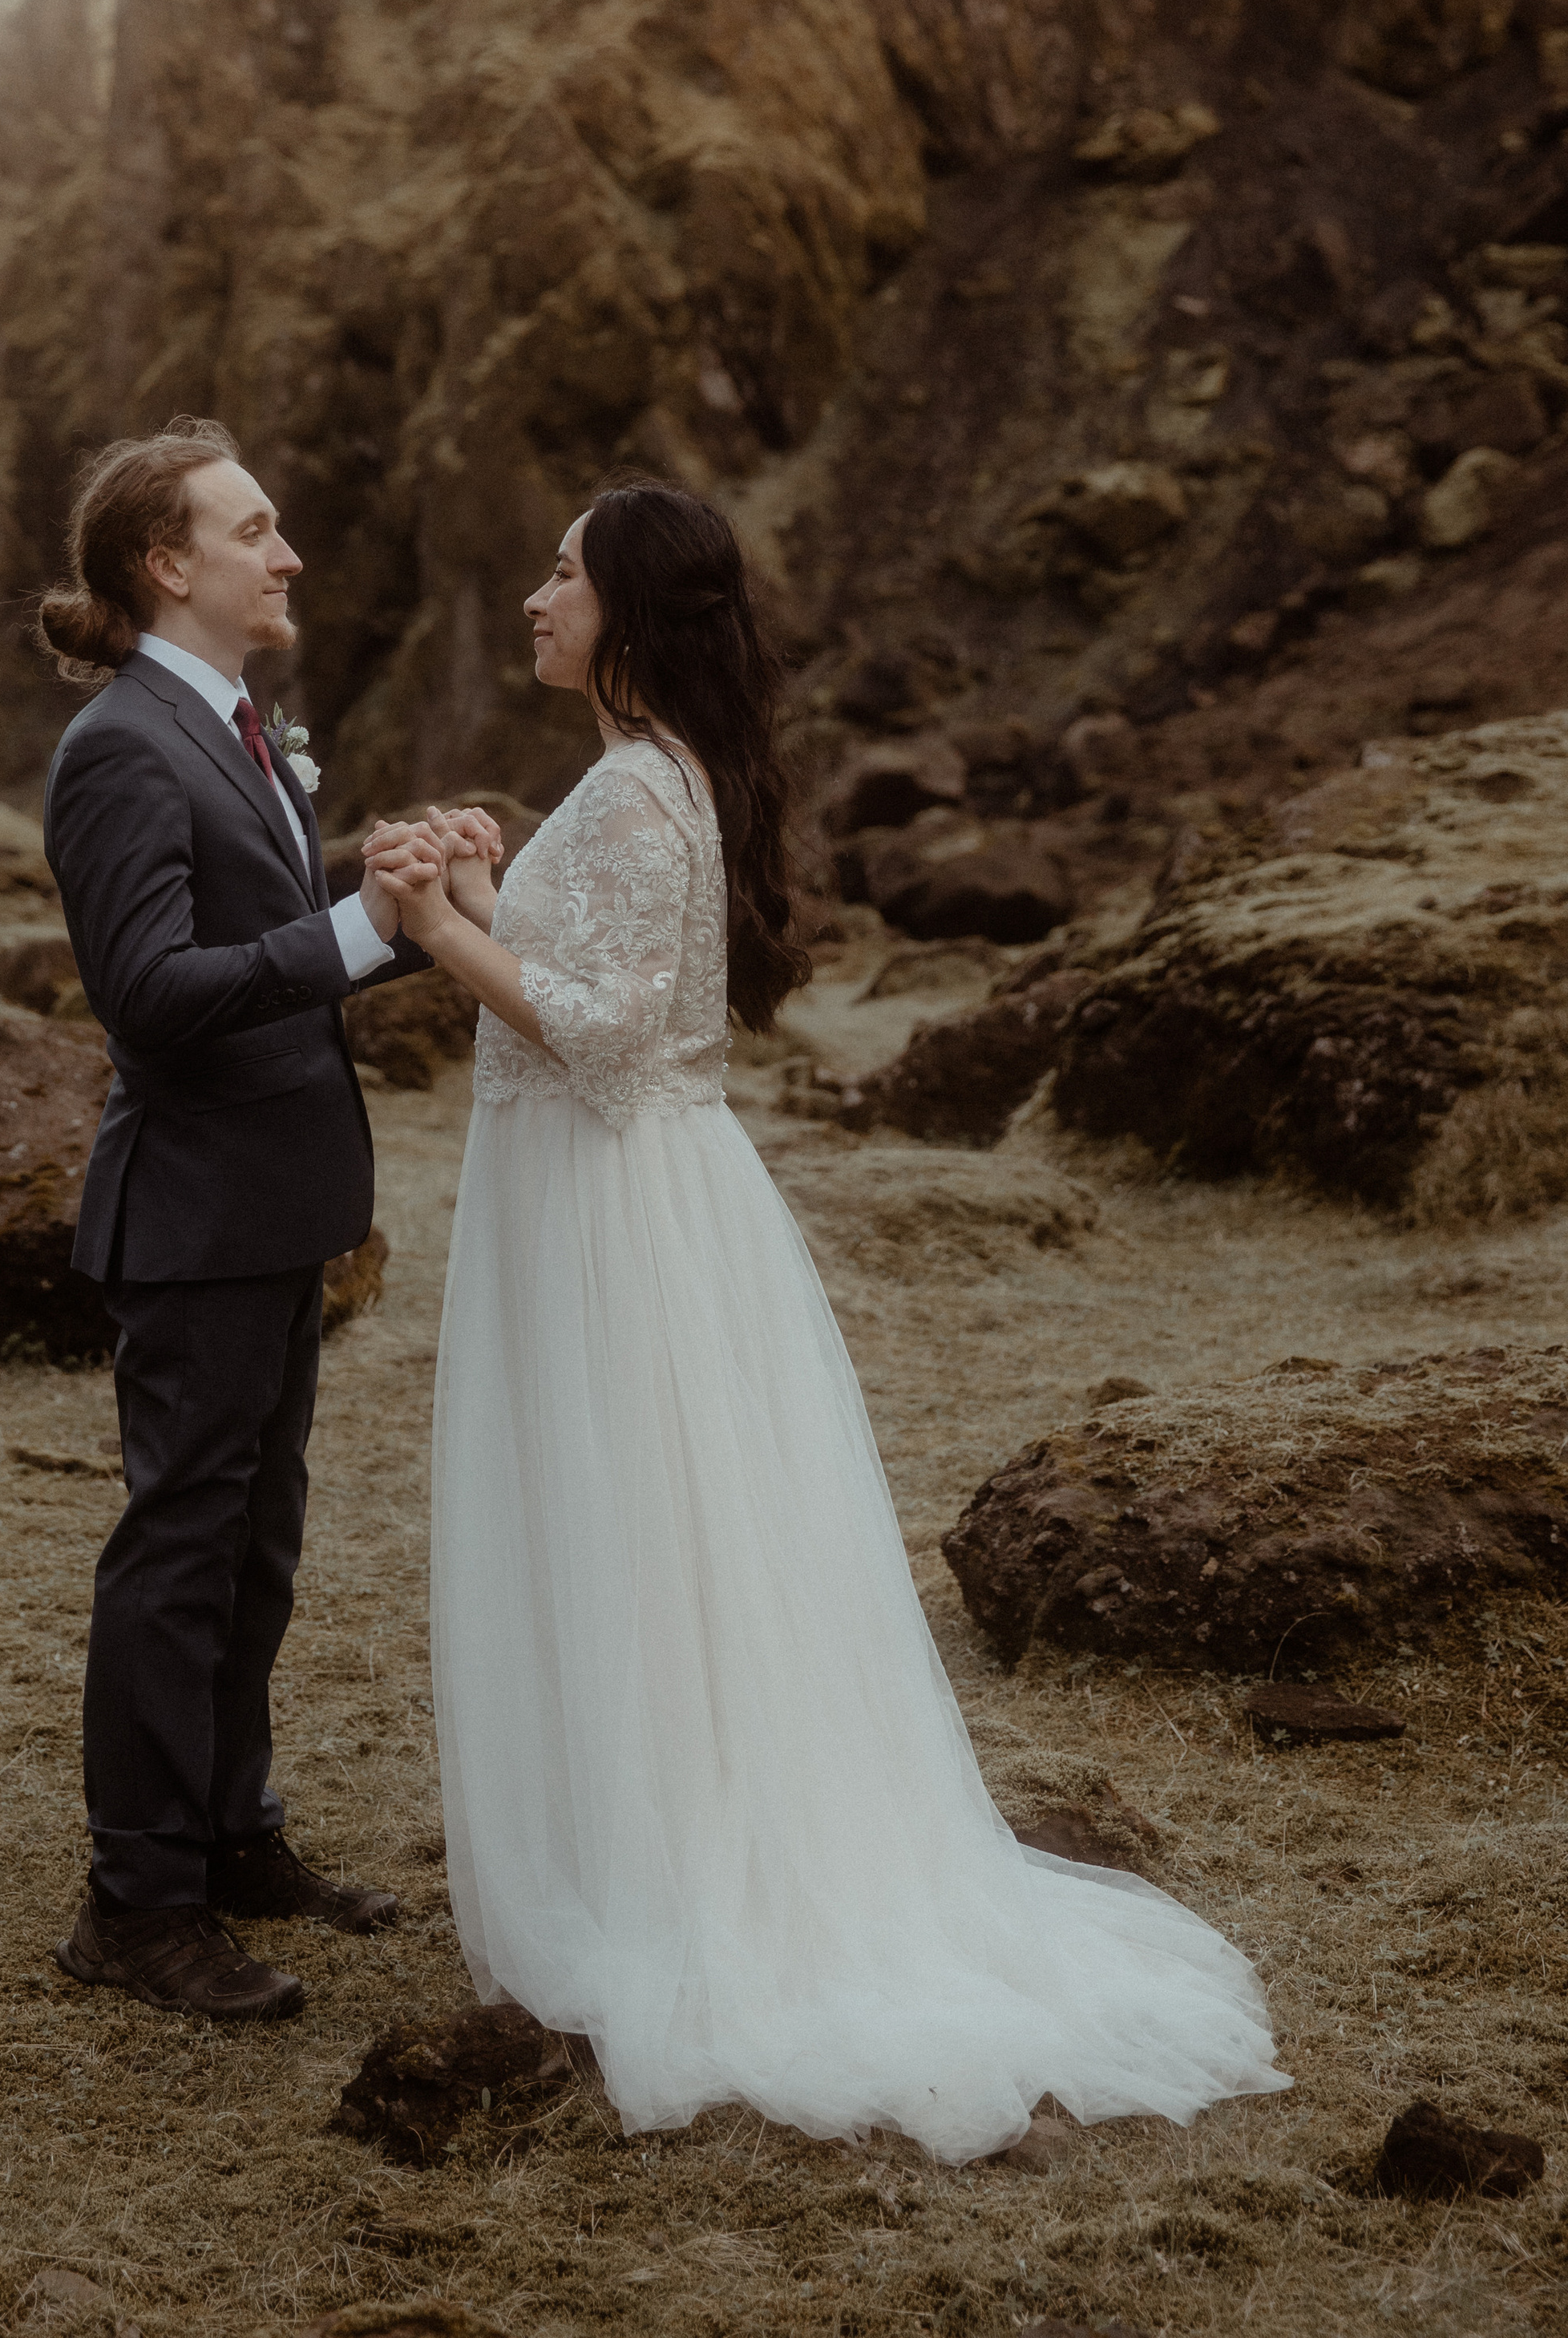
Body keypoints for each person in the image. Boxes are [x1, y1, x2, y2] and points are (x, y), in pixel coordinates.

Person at [364, 482, 1289, 2158]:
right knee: (646, 1526)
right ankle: (658, 1834)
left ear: (628, 612)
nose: (528, 594)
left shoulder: (645, 792)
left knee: (646, 1524)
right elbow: (597, 984)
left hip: (610, 1198)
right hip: (608, 1185)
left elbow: (607, 1037)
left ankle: (686, 1880)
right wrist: (492, 889)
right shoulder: (643, 779)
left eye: (559, 573)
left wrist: (433, 932)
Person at [34, 415, 499, 2025]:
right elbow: (151, 1004)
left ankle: (235, 1837)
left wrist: (388, 907)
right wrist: (351, 929)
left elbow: (264, 948)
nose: (284, 554)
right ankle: (137, 1903)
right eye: (253, 531)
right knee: (178, 1559)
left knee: (254, 1549)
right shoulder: (118, 747)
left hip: (274, 1205)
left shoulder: (232, 726)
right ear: (168, 566)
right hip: (192, 1214)